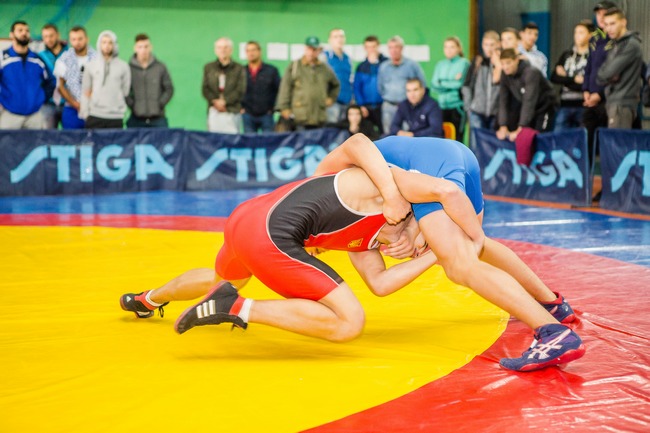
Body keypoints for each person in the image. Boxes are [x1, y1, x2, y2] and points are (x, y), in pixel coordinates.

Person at [315, 134, 585, 372]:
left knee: (459, 263)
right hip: (447, 159)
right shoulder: (344, 238)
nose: (319, 251)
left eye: (313, 249)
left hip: (430, 168)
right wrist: (417, 238)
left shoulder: (319, 188)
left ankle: (554, 334)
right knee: (473, 250)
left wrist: (402, 212)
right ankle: (552, 304)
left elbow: (357, 143)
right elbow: (379, 283)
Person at [121, 141, 440, 343]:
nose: (410, 251)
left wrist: (434, 254)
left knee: (220, 281)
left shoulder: (364, 245)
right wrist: (392, 193)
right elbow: (357, 142)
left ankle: (148, 299)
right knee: (350, 322)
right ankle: (235, 307)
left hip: (245, 221)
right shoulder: (380, 194)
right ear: (414, 218)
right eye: (421, 242)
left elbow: (381, 284)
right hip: (267, 234)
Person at [275, 36, 340, 130]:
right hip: (299, 116)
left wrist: (331, 98)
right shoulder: (295, 66)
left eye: (314, 49)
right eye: (309, 49)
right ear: (305, 49)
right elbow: (285, 87)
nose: (311, 52)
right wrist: (284, 108)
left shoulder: (325, 68)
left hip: (319, 116)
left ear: (318, 51)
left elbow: (335, 85)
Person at [0, 21, 55, 129]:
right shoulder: (3, 58)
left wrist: (41, 98)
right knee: (5, 140)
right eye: (20, 30)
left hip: (35, 115)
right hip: (10, 114)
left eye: (27, 31)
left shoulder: (37, 59)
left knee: (38, 140)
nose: (24, 33)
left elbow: (51, 81)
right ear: (11, 34)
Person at [596, 7, 643, 130]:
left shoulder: (631, 44)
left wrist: (607, 75)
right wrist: (607, 75)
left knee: (617, 142)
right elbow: (601, 75)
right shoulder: (616, 44)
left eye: (612, 23)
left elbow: (607, 73)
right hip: (614, 103)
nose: (609, 29)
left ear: (623, 22)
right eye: (606, 25)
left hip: (622, 104)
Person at [496, 48, 556, 142]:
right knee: (526, 137)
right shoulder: (505, 74)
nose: (505, 67)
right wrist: (503, 125)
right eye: (502, 64)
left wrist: (521, 127)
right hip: (531, 108)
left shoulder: (531, 72)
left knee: (541, 138)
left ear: (516, 60)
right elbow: (503, 101)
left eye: (508, 63)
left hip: (546, 106)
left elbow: (529, 101)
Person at [582, 1, 617, 161]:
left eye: (604, 13)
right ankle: (585, 176)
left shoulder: (617, 40)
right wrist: (586, 90)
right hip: (590, 100)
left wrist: (600, 94)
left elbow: (615, 73)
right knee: (585, 141)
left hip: (608, 101)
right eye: (598, 14)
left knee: (607, 145)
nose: (601, 17)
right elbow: (589, 66)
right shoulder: (594, 39)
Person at [80, 30, 130, 129]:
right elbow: (86, 91)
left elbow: (125, 91)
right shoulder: (90, 66)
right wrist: (85, 114)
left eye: (110, 42)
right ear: (99, 44)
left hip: (116, 116)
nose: (107, 46)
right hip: (94, 115)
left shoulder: (124, 66)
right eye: (104, 42)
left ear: (115, 45)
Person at [377, 36, 426, 135]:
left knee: (407, 135)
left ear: (402, 48)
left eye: (396, 47)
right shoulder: (383, 67)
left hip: (407, 107)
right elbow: (380, 87)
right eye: (391, 47)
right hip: (388, 106)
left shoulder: (412, 65)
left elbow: (423, 84)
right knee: (388, 135)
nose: (394, 50)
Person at [551, 20, 593, 131]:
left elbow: (590, 83)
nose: (577, 36)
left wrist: (565, 78)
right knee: (559, 137)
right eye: (575, 32)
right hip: (564, 104)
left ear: (590, 35)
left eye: (581, 32)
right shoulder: (566, 55)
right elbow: (554, 77)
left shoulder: (593, 56)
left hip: (584, 106)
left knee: (582, 138)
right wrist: (574, 79)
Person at [125, 33, 174, 128]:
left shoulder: (160, 67)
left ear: (151, 47)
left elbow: (169, 89)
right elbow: (124, 91)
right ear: (135, 48)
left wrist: (160, 104)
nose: (143, 50)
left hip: (158, 120)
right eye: (140, 47)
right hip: (136, 120)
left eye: (146, 46)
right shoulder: (128, 69)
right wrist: (133, 106)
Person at [54, 26, 97, 129]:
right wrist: (75, 104)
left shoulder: (97, 58)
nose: (77, 42)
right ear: (70, 41)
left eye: (80, 39)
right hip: (71, 109)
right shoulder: (64, 59)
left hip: (94, 109)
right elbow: (60, 86)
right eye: (74, 39)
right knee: (71, 138)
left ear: (87, 39)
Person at [202, 37, 246, 133]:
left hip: (232, 110)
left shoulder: (239, 68)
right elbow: (205, 89)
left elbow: (240, 89)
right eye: (219, 47)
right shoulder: (209, 67)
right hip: (214, 110)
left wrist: (225, 101)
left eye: (226, 47)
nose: (222, 50)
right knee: (213, 138)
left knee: (233, 139)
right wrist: (215, 101)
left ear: (231, 50)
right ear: (215, 50)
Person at [431, 36, 470, 141]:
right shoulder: (440, 64)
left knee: (457, 139)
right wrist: (451, 81)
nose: (448, 50)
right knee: (442, 138)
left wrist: (441, 82)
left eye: (452, 47)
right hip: (441, 107)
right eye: (446, 47)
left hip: (457, 107)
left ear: (458, 48)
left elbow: (459, 85)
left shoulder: (464, 63)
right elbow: (434, 85)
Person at [462, 30, 502, 133]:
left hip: (496, 114)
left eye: (492, 45)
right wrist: (469, 108)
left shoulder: (502, 64)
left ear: (498, 44)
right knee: (476, 142)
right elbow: (466, 86)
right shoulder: (477, 62)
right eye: (485, 44)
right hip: (476, 112)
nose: (488, 48)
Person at [241, 41, 280, 133]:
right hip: (247, 114)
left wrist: (273, 109)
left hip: (267, 115)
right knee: (249, 141)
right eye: (248, 51)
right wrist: (240, 107)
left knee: (269, 141)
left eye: (253, 50)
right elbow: (237, 91)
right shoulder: (241, 71)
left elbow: (279, 90)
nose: (251, 53)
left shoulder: (271, 71)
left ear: (260, 51)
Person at [353, 35, 387, 133]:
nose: (371, 49)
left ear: (378, 46)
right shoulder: (361, 67)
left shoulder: (386, 63)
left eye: (373, 46)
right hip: (366, 108)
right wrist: (361, 105)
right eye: (368, 47)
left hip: (382, 106)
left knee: (385, 133)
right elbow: (357, 87)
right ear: (365, 48)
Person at [39, 23, 68, 129]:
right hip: (48, 104)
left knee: (71, 135)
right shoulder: (40, 56)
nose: (48, 39)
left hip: (69, 103)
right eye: (45, 36)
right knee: (48, 135)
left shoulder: (70, 53)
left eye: (51, 36)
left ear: (58, 35)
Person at [323, 28, 353, 123]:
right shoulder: (324, 57)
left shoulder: (347, 59)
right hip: (332, 103)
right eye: (335, 37)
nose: (339, 39)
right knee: (332, 129)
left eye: (341, 36)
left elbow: (350, 79)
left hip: (346, 102)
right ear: (330, 40)